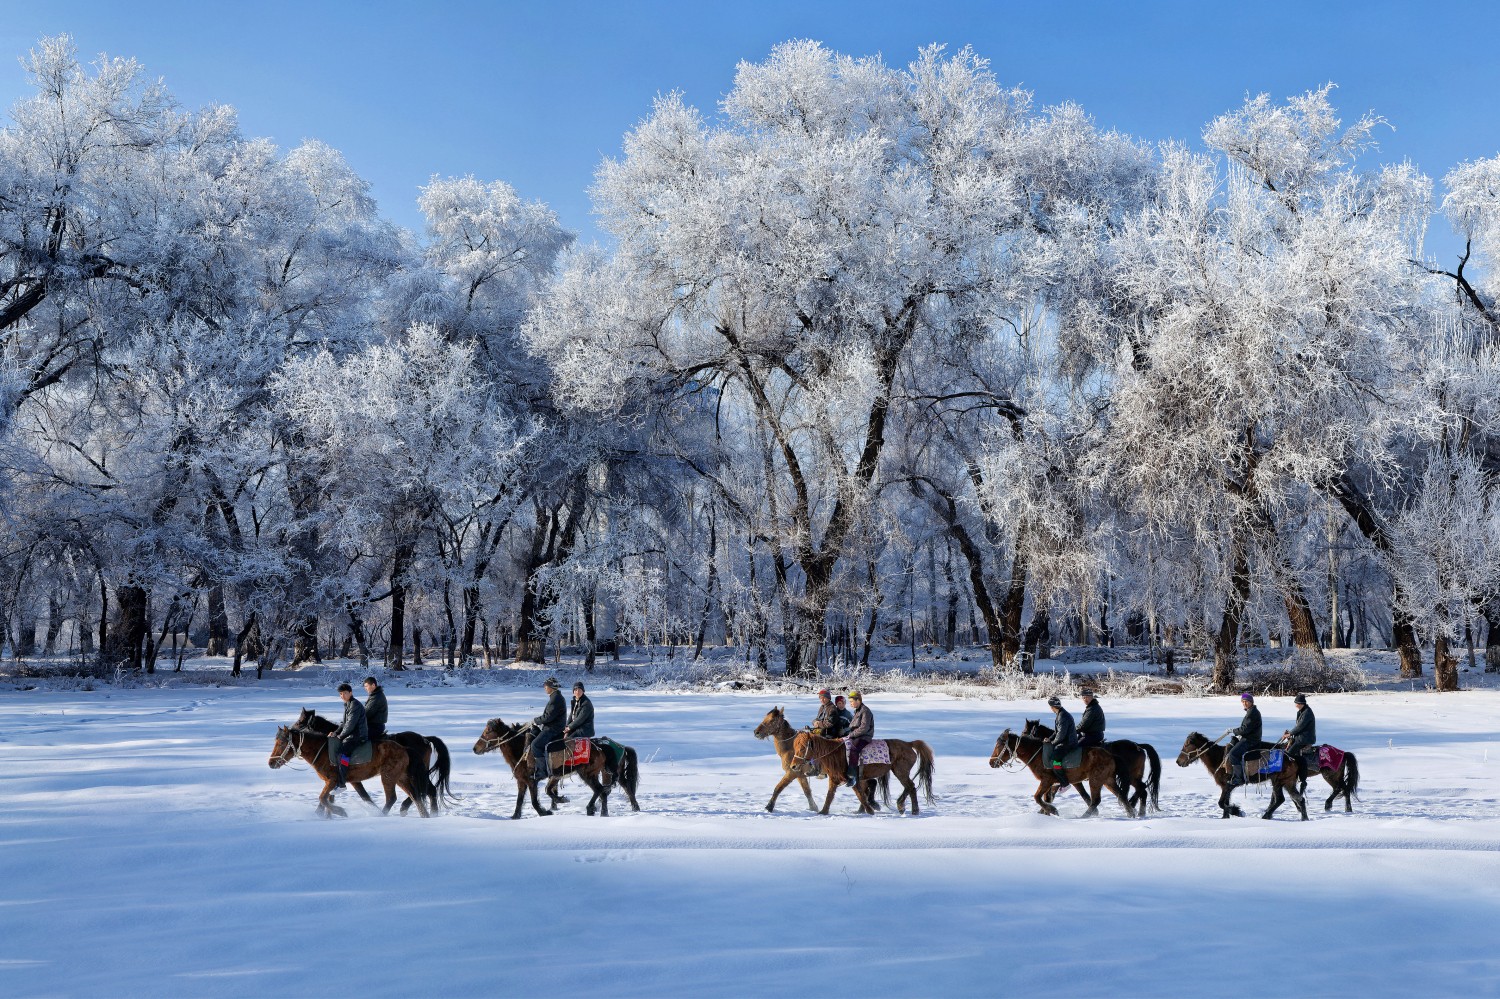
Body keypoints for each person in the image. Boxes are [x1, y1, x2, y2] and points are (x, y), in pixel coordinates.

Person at [328, 682, 368, 790]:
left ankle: (341, 784)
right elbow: (344, 723)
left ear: (351, 692)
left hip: (358, 735)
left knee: (342, 754)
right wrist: (336, 732)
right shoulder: (348, 704)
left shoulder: (354, 705)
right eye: (340, 694)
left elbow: (350, 724)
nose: (342, 696)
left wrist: (340, 736)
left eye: (345, 693)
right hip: (352, 734)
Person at [528, 677, 567, 781]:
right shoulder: (555, 697)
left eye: (546, 686)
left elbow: (548, 717)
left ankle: (542, 771)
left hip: (553, 728)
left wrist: (536, 720)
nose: (544, 687)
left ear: (551, 687)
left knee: (535, 745)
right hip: (551, 726)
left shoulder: (556, 698)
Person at [1227, 692, 1263, 786]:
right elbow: (1246, 728)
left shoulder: (1252, 713)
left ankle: (1238, 778)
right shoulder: (1251, 711)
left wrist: (1234, 731)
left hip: (1250, 740)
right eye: (1243, 701)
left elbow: (1245, 729)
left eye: (1246, 701)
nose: (1244, 703)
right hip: (1248, 737)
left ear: (1251, 702)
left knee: (1233, 754)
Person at [842, 690, 874, 787]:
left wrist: (851, 735)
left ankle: (852, 776)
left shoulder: (865, 711)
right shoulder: (857, 711)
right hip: (856, 735)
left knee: (853, 749)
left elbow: (864, 728)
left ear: (858, 700)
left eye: (852, 701)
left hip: (864, 736)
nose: (851, 704)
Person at [1047, 695, 1079, 781]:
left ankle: (1064, 782)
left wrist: (1053, 743)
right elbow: (1057, 731)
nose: (1051, 708)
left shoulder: (1062, 716)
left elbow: (1061, 734)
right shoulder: (1061, 714)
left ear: (1052, 707)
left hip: (1068, 743)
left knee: (1054, 761)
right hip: (1066, 742)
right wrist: (1050, 739)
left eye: (1051, 707)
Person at [1283, 693, 1316, 770]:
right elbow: (1298, 726)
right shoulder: (1302, 711)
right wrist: (1290, 733)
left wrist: (1290, 734)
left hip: (1305, 738)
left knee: (1289, 753)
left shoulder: (1307, 713)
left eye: (1297, 703)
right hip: (1301, 737)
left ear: (1302, 704)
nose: (1296, 705)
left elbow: (1300, 726)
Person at [362, 676, 388, 742]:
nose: (365, 688)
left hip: (375, 726)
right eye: (365, 686)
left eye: (366, 686)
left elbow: (367, 713)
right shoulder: (375, 695)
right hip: (372, 725)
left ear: (373, 685)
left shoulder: (376, 697)